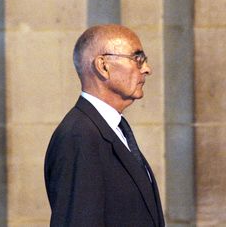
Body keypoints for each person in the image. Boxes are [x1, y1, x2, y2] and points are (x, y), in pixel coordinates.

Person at [44, 24, 165, 227]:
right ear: (103, 66)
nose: (147, 69)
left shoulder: (114, 128)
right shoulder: (79, 136)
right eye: (137, 59)